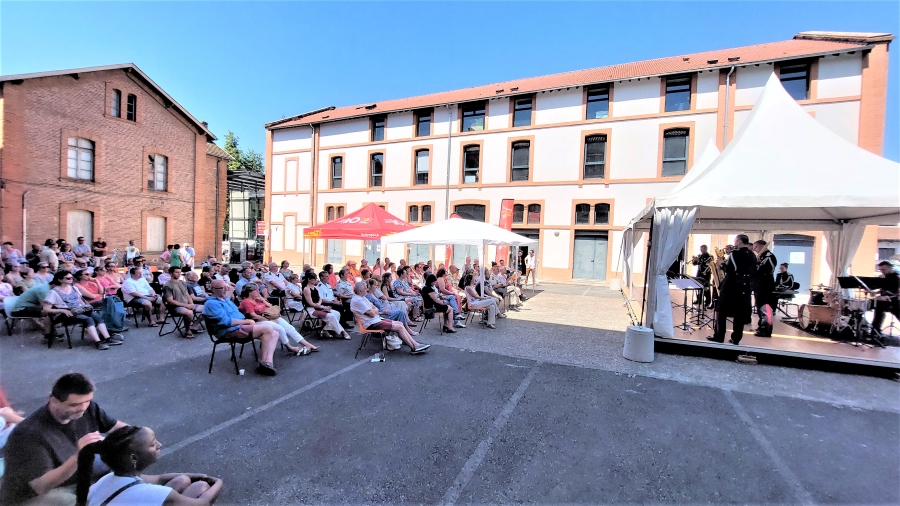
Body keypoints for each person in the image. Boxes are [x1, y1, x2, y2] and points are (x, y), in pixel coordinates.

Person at [0, 373, 129, 505]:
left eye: (87, 401)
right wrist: (78, 457)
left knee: (126, 469)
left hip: (74, 476)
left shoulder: (87, 408)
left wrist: (137, 440)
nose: (82, 408)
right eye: (74, 405)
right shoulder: (28, 434)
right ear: (54, 401)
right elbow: (41, 486)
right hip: (33, 495)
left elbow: (119, 428)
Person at [75, 424, 223, 506]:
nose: (160, 445)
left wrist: (195, 475)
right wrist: (218, 482)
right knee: (201, 487)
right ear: (134, 458)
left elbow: (158, 479)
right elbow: (202, 502)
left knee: (182, 480)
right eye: (152, 444)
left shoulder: (107, 479)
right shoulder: (149, 493)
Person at [203, 280, 281, 376]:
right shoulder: (211, 303)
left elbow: (237, 308)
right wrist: (247, 321)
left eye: (226, 287)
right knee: (267, 329)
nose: (226, 289)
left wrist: (248, 319)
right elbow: (225, 322)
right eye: (223, 288)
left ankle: (268, 362)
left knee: (275, 332)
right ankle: (263, 362)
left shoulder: (225, 299)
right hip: (228, 331)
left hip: (240, 326)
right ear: (213, 289)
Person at [44, 271, 124, 350]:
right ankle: (98, 342)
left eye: (71, 278)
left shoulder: (74, 288)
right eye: (68, 278)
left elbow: (80, 301)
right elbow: (46, 309)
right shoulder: (53, 292)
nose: (71, 279)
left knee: (97, 316)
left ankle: (107, 338)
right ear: (60, 280)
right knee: (88, 319)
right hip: (66, 313)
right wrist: (62, 311)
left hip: (78, 310)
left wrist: (85, 307)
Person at [350, 281, 429, 354]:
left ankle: (415, 344)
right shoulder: (358, 300)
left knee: (400, 324)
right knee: (399, 327)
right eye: (365, 288)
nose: (366, 290)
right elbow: (372, 313)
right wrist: (374, 310)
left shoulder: (362, 297)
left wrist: (374, 310)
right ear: (360, 291)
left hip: (375, 320)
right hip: (371, 323)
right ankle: (413, 347)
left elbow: (374, 308)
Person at [238, 285, 316, 355]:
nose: (258, 292)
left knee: (289, 327)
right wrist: (268, 319)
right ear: (250, 292)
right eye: (256, 290)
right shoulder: (246, 302)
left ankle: (307, 344)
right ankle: (289, 347)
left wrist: (262, 300)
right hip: (258, 321)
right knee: (280, 328)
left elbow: (270, 306)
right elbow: (253, 315)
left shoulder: (257, 299)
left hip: (269, 317)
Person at [708, 235, 756, 345]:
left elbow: (731, 270)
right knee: (739, 314)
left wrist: (722, 264)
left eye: (735, 240)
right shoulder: (752, 255)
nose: (734, 242)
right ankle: (736, 338)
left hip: (731, 286)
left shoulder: (735, 254)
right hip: (745, 287)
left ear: (739, 241)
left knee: (721, 311)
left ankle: (719, 336)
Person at [301, 272, 350, 339]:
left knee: (337, 313)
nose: (316, 280)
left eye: (316, 278)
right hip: (311, 310)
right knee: (331, 316)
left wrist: (319, 304)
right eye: (314, 279)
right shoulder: (306, 289)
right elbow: (310, 303)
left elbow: (320, 298)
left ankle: (325, 329)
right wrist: (319, 306)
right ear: (309, 279)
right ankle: (343, 332)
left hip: (318, 307)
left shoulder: (316, 288)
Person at [163, 267, 204, 338]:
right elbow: (170, 301)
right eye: (177, 272)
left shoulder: (182, 282)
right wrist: (186, 305)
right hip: (176, 307)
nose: (179, 274)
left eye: (180, 272)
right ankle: (187, 330)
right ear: (171, 273)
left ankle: (194, 326)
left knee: (208, 309)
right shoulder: (167, 286)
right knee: (189, 313)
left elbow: (187, 295)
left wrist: (191, 304)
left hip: (187, 305)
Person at [752, 240, 777, 337]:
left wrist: (757, 266)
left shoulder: (769, 256)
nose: (755, 249)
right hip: (758, 285)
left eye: (756, 247)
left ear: (763, 246)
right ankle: (761, 326)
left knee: (765, 308)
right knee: (759, 306)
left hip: (766, 286)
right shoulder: (760, 256)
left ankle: (767, 329)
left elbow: (768, 270)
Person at [872, 260, 900, 338]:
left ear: (890, 267)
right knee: (878, 312)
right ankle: (875, 331)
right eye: (880, 270)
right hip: (884, 300)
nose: (882, 271)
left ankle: (875, 331)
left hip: (893, 301)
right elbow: (884, 289)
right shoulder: (886, 277)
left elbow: (895, 291)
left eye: (883, 269)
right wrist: (876, 293)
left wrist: (886, 297)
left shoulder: (896, 278)